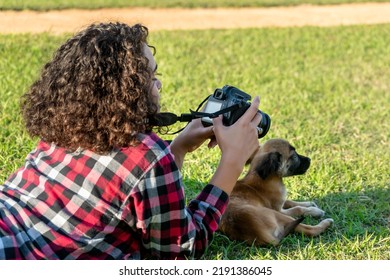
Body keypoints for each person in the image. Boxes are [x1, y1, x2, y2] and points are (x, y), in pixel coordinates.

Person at [0, 22, 261, 259]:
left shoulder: (62, 124)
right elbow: (179, 252)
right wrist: (232, 163)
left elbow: (134, 194)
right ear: (127, 90)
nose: (158, 85)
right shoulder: (146, 156)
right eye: (150, 77)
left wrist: (177, 149)